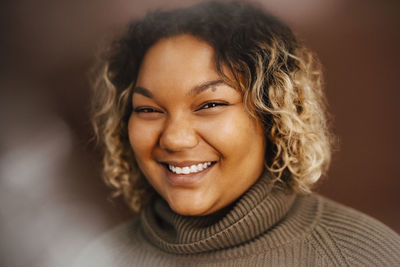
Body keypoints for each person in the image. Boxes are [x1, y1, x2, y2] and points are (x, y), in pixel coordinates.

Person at [75, 1, 400, 266]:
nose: (174, 138)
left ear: (273, 113)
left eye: (210, 104)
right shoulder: (94, 258)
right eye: (148, 110)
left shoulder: (361, 256)